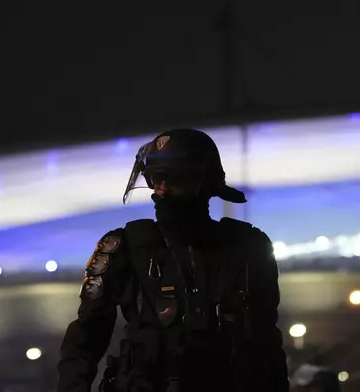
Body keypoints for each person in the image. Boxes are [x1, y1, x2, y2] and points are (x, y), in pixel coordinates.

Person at [57, 128, 289, 392]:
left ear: (204, 181)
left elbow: (267, 339)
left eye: (174, 179)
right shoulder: (124, 247)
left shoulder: (249, 247)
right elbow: (85, 337)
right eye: (156, 178)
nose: (162, 189)